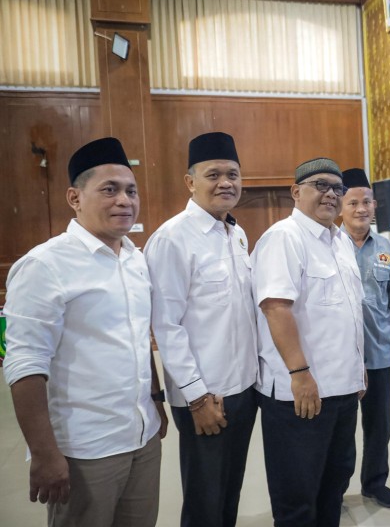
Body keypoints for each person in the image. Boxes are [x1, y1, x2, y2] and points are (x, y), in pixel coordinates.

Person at [3, 137, 167, 527]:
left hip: (142, 437)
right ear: (75, 198)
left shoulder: (134, 257)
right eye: (109, 190)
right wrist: (44, 454)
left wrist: (156, 400)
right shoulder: (45, 265)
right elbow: (24, 363)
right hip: (85, 448)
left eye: (131, 191)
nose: (124, 200)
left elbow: (137, 337)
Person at [144, 132, 259, 527]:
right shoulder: (173, 239)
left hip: (243, 387)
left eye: (233, 174)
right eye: (214, 174)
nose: (225, 183)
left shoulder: (236, 234)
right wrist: (195, 398)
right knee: (204, 498)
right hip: (205, 394)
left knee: (230, 489)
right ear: (190, 181)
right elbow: (166, 325)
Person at [252, 157, 365, 527]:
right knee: (297, 498)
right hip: (301, 393)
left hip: (342, 390)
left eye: (337, 188)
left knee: (334, 485)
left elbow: (347, 312)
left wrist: (357, 368)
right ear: (296, 191)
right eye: (321, 185)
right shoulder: (284, 237)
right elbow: (276, 308)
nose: (331, 194)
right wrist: (299, 373)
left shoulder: (341, 242)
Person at [339, 168, 390, 509]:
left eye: (367, 201)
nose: (361, 208)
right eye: (353, 202)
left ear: (375, 205)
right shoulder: (328, 246)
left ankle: (374, 482)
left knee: (378, 427)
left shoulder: (387, 250)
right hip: (338, 358)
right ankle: (334, 489)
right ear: (341, 206)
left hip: (379, 354)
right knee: (340, 430)